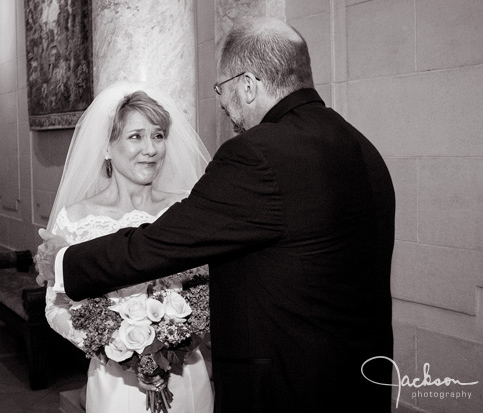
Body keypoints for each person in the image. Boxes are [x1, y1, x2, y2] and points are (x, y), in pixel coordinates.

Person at [37, 18, 395, 412]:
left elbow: (160, 243)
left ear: (247, 85)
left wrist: (63, 261)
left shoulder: (257, 154)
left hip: (287, 385)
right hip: (361, 378)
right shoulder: (362, 147)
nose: (223, 105)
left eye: (221, 90)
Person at [40, 82, 214, 413]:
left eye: (158, 135)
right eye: (136, 136)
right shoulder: (76, 219)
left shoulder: (186, 210)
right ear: (107, 146)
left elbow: (208, 287)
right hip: (115, 384)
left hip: (185, 376)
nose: (151, 148)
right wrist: (113, 343)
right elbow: (55, 306)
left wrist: (179, 336)